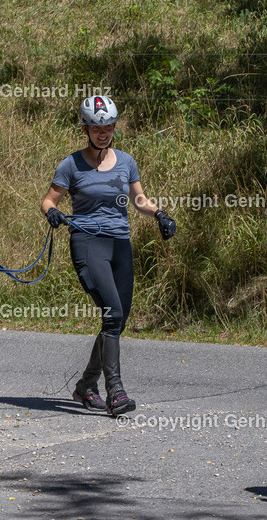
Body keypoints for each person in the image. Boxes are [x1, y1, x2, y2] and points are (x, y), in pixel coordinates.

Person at [41, 95, 176, 416]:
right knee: (112, 314)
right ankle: (115, 391)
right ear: (86, 128)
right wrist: (53, 214)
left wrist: (160, 215)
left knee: (117, 319)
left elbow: (139, 200)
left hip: (120, 246)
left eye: (109, 126)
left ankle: (86, 385)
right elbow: (48, 201)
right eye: (97, 127)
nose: (103, 132)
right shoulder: (71, 164)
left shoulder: (127, 162)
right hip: (87, 242)